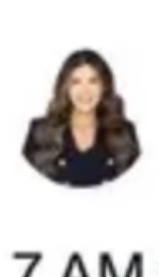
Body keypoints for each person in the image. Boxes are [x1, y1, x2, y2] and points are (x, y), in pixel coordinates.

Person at [21, 49, 139, 186]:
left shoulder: (125, 132)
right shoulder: (40, 132)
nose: (85, 90)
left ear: (104, 86)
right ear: (65, 87)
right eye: (76, 82)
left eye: (93, 81)